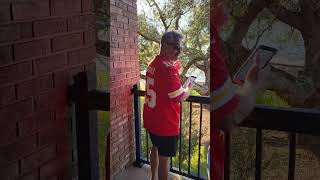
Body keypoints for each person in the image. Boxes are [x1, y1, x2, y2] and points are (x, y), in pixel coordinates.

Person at [209, 0, 269, 179]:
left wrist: (229, 91)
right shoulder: (210, 40)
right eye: (227, 4)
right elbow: (228, 119)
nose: (230, 11)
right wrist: (253, 84)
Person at [143, 31, 194, 180]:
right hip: (165, 122)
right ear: (164, 46)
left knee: (155, 147)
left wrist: (174, 64)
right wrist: (189, 86)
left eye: (181, 48)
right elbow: (180, 97)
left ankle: (152, 177)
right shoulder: (167, 69)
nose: (180, 51)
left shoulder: (153, 63)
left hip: (152, 118)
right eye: (177, 47)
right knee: (165, 159)